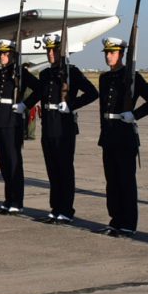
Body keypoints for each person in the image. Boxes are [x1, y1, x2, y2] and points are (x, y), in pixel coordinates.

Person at [27, 33, 98, 224]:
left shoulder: (71, 72)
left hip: (64, 128)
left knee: (64, 170)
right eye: (48, 49)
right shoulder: (45, 73)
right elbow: (39, 94)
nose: (50, 53)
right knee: (52, 170)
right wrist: (24, 105)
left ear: (61, 51)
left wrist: (71, 105)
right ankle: (55, 208)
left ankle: (66, 209)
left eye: (54, 49)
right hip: (48, 126)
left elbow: (92, 93)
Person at [97, 37, 148, 236]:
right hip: (109, 136)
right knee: (112, 181)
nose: (109, 56)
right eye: (107, 52)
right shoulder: (104, 78)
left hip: (124, 136)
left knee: (126, 181)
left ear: (122, 54)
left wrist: (135, 115)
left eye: (113, 52)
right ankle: (115, 220)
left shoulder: (132, 76)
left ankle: (128, 223)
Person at [0, 39, 36, 214]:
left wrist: (25, 104)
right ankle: (8, 199)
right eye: (1, 53)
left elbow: (39, 88)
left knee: (13, 162)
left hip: (13, 121)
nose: (2, 56)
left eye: (6, 53)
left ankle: (17, 201)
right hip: (0, 122)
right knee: (4, 162)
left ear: (13, 55)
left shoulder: (19, 73)